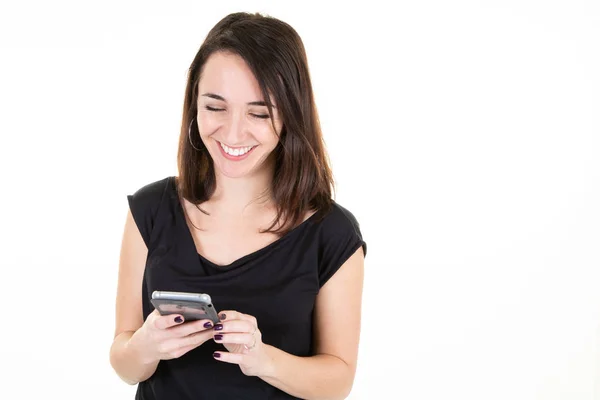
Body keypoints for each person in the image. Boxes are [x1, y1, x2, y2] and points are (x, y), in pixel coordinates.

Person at [109, 11, 367, 400]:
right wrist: (146, 347)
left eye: (259, 113)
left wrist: (263, 360)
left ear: (290, 115)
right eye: (215, 107)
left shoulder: (332, 235)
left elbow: (338, 381)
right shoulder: (150, 211)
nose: (232, 132)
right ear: (194, 105)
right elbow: (123, 362)